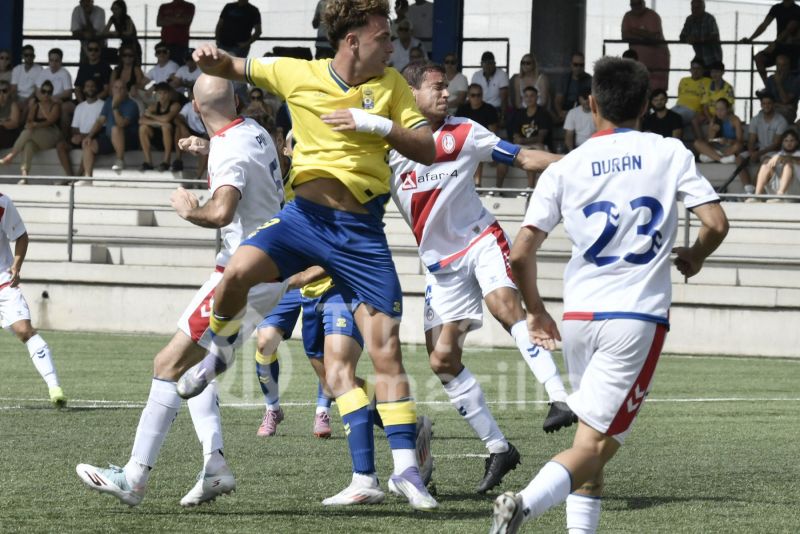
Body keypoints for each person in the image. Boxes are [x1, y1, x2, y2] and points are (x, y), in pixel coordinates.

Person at [191, 0, 439, 511]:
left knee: (385, 350)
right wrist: (211, 57)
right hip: (303, 220)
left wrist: (374, 124)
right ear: (353, 41)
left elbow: (426, 146)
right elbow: (234, 67)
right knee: (236, 269)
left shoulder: (390, 85)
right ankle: (218, 347)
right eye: (383, 36)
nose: (392, 44)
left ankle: (406, 472)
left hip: (360, 232)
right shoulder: (294, 72)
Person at [489, 56, 729, 534]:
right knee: (596, 447)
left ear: (592, 103)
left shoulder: (565, 166)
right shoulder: (669, 151)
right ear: (645, 103)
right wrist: (697, 256)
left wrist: (536, 312)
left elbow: (518, 255)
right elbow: (716, 223)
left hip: (579, 317)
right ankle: (523, 505)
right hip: (635, 317)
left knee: (589, 444)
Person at [76, 74, 287, 508]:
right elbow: (245, 167)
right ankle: (215, 464)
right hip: (269, 271)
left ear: (193, 105)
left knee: (167, 363)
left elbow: (223, 209)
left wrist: (191, 211)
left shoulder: (229, 149)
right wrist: (206, 147)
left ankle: (133, 477)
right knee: (195, 372)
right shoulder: (256, 131)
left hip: (241, 275)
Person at [390, 62, 576, 493]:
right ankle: (498, 448)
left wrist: (577, 163)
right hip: (440, 265)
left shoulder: (466, 132)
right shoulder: (390, 147)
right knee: (442, 361)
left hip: (481, 240)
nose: (446, 93)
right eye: (436, 88)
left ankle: (559, 397)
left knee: (505, 307)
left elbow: (524, 156)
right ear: (410, 93)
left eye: (447, 88)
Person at [0, 193, 67, 408]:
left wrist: (16, 266)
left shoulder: (2, 203)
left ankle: (54, 387)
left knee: (24, 330)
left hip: (2, 281)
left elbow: (20, 235)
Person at [0, 81, 62, 181]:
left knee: (28, 132)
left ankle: (10, 156)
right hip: (36, 135)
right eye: (44, 91)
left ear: (52, 93)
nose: (46, 94)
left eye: (49, 92)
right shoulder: (35, 106)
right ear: (40, 92)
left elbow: (50, 121)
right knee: (28, 144)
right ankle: (24, 176)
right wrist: (30, 123)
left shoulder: (55, 106)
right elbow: (29, 119)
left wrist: (36, 123)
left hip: (51, 134)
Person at [81, 79, 140, 176]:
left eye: (122, 88)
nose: (118, 90)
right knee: (88, 145)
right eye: (116, 87)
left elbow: (121, 124)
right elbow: (100, 120)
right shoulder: (108, 101)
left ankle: (120, 160)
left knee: (115, 128)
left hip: (128, 140)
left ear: (126, 91)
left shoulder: (132, 104)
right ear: (112, 89)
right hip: (110, 139)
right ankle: (88, 177)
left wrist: (115, 106)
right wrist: (89, 136)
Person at [736, 92, 788, 193]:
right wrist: (751, 153)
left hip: (773, 152)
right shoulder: (755, 119)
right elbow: (751, 140)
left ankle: (754, 190)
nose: (766, 106)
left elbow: (776, 144)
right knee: (739, 158)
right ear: (761, 105)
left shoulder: (781, 121)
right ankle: (748, 187)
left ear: (773, 104)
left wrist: (758, 154)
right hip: (758, 149)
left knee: (765, 160)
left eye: (769, 103)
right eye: (764, 103)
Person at [740, 0, 800, 84]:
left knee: (783, 65)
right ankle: (768, 87)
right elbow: (764, 24)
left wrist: (775, 43)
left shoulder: (797, 10)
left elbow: (789, 29)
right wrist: (751, 39)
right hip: (780, 45)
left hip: (792, 48)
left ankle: (783, 88)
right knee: (758, 58)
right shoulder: (776, 8)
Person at [507, 86, 553, 191]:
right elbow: (515, 136)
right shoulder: (519, 114)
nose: (529, 98)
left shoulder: (543, 114)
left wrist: (522, 141)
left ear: (537, 97)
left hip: (540, 147)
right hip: (524, 146)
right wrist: (520, 141)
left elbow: (541, 138)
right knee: (503, 153)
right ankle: (497, 189)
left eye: (532, 96)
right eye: (526, 96)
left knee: (532, 151)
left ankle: (530, 187)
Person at [57, 79, 104, 177]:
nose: (90, 88)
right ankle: (69, 176)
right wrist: (76, 136)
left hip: (94, 138)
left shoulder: (103, 105)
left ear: (97, 88)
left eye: (92, 86)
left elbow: (102, 128)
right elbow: (74, 128)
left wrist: (84, 137)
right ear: (84, 90)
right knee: (60, 146)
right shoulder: (79, 107)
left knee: (86, 143)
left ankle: (77, 177)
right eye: (87, 86)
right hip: (81, 137)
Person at [456, 84, 499, 189]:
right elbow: (457, 131)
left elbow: (492, 133)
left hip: (485, 143)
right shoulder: (462, 110)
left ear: (482, 95)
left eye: (479, 95)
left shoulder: (490, 110)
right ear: (468, 96)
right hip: (465, 144)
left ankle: (495, 189)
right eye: (473, 95)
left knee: (476, 150)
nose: (476, 98)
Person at [621, 0, 670, 90]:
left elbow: (654, 37)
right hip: (638, 63)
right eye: (633, 4)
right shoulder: (627, 16)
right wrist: (644, 34)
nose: (636, 6)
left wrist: (634, 31)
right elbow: (625, 36)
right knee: (638, 90)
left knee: (657, 94)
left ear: (644, 3)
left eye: (638, 3)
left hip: (657, 63)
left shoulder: (653, 16)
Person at [139, 82, 181, 171]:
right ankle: (148, 162)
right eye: (159, 93)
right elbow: (141, 120)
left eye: (165, 93)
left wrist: (152, 116)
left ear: (169, 94)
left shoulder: (175, 105)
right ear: (156, 95)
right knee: (143, 128)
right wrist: (159, 123)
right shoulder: (153, 107)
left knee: (166, 127)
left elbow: (167, 118)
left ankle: (166, 161)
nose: (162, 96)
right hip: (157, 139)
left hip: (173, 140)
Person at [750, 128, 800, 200]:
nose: (789, 143)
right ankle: (757, 196)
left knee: (788, 165)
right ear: (782, 143)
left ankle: (780, 196)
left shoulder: (798, 153)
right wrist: (768, 161)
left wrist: (782, 158)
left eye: (792, 140)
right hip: (779, 187)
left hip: (796, 189)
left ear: (797, 142)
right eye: (786, 141)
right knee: (765, 166)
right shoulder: (778, 154)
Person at [691, 60, 734, 140]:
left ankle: (711, 144)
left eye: (717, 72)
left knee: (716, 124)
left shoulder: (728, 88)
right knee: (694, 120)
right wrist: (710, 118)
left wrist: (716, 118)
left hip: (723, 114)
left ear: (722, 72)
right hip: (709, 114)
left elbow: (729, 107)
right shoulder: (707, 86)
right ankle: (701, 141)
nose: (714, 74)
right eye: (712, 72)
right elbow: (705, 106)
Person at [694, 98, 744, 163]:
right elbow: (708, 141)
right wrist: (713, 132)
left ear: (728, 109)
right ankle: (721, 159)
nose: (719, 112)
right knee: (697, 143)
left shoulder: (735, 120)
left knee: (738, 146)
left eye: (722, 109)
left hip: (729, 148)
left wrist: (727, 141)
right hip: (716, 148)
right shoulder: (713, 120)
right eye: (717, 109)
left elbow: (740, 140)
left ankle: (711, 157)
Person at [679, 0, 723, 69]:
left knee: (711, 78)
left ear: (703, 8)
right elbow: (682, 36)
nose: (695, 10)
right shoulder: (689, 19)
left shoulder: (709, 18)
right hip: (699, 58)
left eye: (697, 7)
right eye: (693, 8)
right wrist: (687, 38)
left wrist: (698, 40)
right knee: (696, 73)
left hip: (713, 58)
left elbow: (715, 36)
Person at [671, 58, 710, 127]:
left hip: (692, 110)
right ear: (690, 69)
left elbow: (706, 102)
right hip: (678, 107)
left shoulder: (707, 82)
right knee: (664, 115)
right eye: (693, 68)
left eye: (698, 69)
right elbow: (679, 95)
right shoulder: (684, 80)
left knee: (674, 118)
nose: (695, 71)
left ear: (703, 70)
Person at [555, 52, 592, 123]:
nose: (578, 68)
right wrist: (561, 113)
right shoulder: (564, 79)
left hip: (584, 112)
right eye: (576, 65)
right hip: (566, 111)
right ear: (571, 65)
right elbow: (558, 100)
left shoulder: (590, 80)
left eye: (581, 65)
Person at [102, 0, 142, 64]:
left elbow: (130, 32)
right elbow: (105, 32)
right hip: (124, 44)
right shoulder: (112, 18)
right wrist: (114, 33)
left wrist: (118, 33)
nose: (114, 11)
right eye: (113, 9)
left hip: (133, 45)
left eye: (116, 9)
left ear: (122, 9)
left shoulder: (127, 18)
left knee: (135, 65)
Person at [157, 0, 196, 66]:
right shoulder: (163, 6)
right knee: (163, 67)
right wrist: (177, 20)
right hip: (165, 44)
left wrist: (167, 18)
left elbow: (186, 21)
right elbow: (159, 22)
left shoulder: (189, 6)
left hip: (181, 44)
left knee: (179, 67)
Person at [765, 53, 800, 123]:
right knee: (758, 118)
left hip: (787, 112)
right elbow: (767, 101)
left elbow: (785, 100)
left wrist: (779, 83)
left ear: (789, 66)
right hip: (772, 108)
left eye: (784, 65)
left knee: (778, 118)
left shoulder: (795, 80)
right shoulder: (770, 79)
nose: (781, 68)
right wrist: (778, 105)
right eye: (778, 65)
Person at [74, 38, 111, 103]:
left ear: (100, 51)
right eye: (90, 49)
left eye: (96, 50)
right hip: (83, 101)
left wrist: (92, 101)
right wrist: (82, 103)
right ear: (87, 51)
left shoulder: (105, 67)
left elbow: (106, 90)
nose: (93, 52)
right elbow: (77, 89)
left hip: (100, 102)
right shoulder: (83, 67)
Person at [10, 45, 42, 112]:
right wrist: (14, 100)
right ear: (23, 56)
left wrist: (26, 101)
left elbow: (37, 90)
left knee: (30, 103)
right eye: (26, 55)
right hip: (18, 97)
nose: (29, 57)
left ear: (34, 56)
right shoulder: (17, 69)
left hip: (32, 97)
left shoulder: (39, 69)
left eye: (31, 55)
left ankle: (22, 122)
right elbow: (13, 89)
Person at [563, 88, 595, 152]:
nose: (587, 101)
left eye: (589, 99)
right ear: (580, 99)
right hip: (578, 148)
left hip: (595, 147)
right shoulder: (573, 113)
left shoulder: (599, 112)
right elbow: (569, 135)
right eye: (584, 98)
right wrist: (571, 152)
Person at [0, 80, 22, 150]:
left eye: (4, 91)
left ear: (9, 92)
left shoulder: (13, 105)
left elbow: (14, 124)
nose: (1, 94)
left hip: (10, 134)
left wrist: (1, 123)